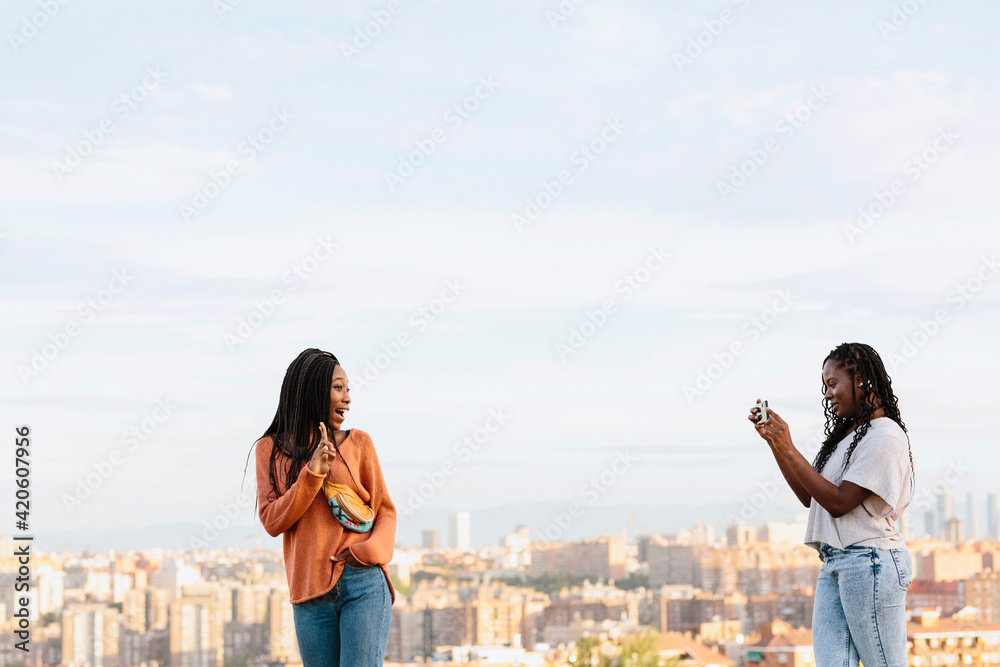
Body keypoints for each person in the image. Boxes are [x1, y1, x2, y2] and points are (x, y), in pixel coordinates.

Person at [748, 342, 914, 667]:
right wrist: (777, 445)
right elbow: (812, 498)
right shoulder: (849, 437)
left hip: (870, 563)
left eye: (832, 383)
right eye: (825, 386)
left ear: (862, 380)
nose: (827, 394)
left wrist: (789, 446)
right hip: (834, 563)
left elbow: (840, 503)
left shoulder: (884, 436)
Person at [249, 348, 396, 666]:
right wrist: (313, 473)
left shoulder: (359, 443)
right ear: (313, 390)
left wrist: (364, 554)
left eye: (348, 389)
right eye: (338, 388)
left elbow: (385, 510)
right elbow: (273, 521)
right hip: (309, 592)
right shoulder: (269, 450)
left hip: (363, 582)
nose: (348, 398)